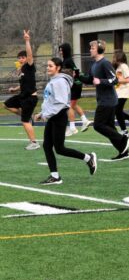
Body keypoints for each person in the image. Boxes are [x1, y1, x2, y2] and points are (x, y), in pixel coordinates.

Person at [34, 57, 97, 185]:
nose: (48, 68)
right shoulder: (54, 80)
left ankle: (88, 157)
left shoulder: (60, 82)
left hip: (59, 116)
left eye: (50, 66)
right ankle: (55, 176)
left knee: (60, 149)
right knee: (47, 146)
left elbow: (61, 103)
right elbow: (50, 101)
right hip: (53, 116)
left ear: (58, 68)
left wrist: (46, 114)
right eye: (47, 66)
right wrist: (42, 113)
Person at [80, 40, 129, 161]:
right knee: (110, 128)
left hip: (108, 101)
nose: (90, 50)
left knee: (98, 125)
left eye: (92, 48)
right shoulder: (94, 65)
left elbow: (114, 80)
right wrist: (77, 76)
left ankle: (123, 138)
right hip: (103, 100)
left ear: (99, 49)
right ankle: (124, 152)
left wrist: (101, 81)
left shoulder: (105, 63)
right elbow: (89, 79)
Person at [4, 30, 39, 150]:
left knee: (24, 121)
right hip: (23, 96)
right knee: (7, 104)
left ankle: (34, 142)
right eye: (19, 58)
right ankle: (28, 116)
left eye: (22, 57)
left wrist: (27, 40)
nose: (21, 59)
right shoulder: (22, 70)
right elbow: (25, 84)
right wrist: (15, 89)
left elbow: (30, 55)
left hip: (30, 98)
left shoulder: (29, 66)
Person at [59, 43, 92, 136]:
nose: (60, 51)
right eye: (60, 50)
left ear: (66, 50)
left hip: (75, 85)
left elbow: (76, 70)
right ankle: (85, 120)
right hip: (74, 85)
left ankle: (72, 128)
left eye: (61, 50)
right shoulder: (65, 60)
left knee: (69, 106)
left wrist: (75, 77)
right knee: (73, 105)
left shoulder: (68, 60)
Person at [113, 50, 129, 135]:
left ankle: (124, 130)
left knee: (117, 110)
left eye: (115, 56)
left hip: (124, 92)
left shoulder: (124, 66)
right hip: (118, 92)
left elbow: (128, 79)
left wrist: (117, 80)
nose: (113, 58)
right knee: (116, 110)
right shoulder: (118, 67)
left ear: (119, 57)